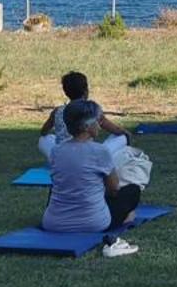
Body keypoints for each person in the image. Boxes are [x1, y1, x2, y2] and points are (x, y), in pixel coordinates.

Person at [42, 99, 143, 252]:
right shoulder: (100, 151)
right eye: (98, 121)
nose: (100, 125)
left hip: (53, 223)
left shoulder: (56, 151)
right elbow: (114, 189)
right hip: (94, 223)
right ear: (86, 127)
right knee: (132, 190)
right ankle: (127, 217)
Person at [37, 72, 130, 162]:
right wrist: (125, 133)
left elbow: (43, 132)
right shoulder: (93, 110)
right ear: (86, 91)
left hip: (61, 158)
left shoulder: (57, 111)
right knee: (121, 137)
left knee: (44, 139)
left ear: (66, 92)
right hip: (87, 157)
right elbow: (115, 130)